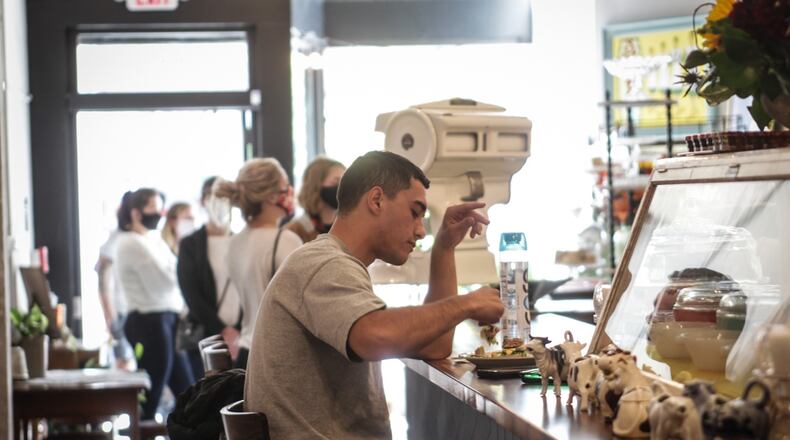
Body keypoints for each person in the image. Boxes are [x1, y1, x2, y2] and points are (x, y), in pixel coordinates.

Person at [244, 151, 504, 439]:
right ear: (377, 200)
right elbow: (374, 337)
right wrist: (466, 304)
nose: (420, 230)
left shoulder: (338, 264)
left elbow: (435, 346)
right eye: (414, 213)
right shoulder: (324, 263)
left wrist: (444, 247)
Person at [215, 158, 303, 368]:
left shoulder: (233, 243)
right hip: (278, 353)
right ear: (272, 196)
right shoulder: (285, 240)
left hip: (247, 351)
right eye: (285, 188)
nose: (290, 192)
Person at [115, 188, 194, 420]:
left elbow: (177, 274)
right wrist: (176, 273)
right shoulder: (129, 242)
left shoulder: (153, 239)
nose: (159, 214)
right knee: (153, 390)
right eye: (153, 208)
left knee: (187, 390)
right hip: (149, 321)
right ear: (136, 212)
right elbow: (166, 280)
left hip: (168, 319)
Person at [177, 177, 242, 380]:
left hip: (242, 336)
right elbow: (190, 292)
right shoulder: (191, 244)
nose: (219, 204)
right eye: (213, 197)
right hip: (206, 333)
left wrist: (237, 330)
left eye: (225, 198)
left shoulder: (241, 241)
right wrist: (223, 330)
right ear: (204, 200)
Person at [95, 223, 135, 371]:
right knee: (124, 362)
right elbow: (103, 278)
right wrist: (110, 316)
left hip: (132, 310)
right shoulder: (116, 239)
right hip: (120, 312)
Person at [284, 156, 345, 243]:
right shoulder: (294, 231)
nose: (343, 187)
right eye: (337, 181)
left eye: (344, 181)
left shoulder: (348, 227)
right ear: (316, 185)